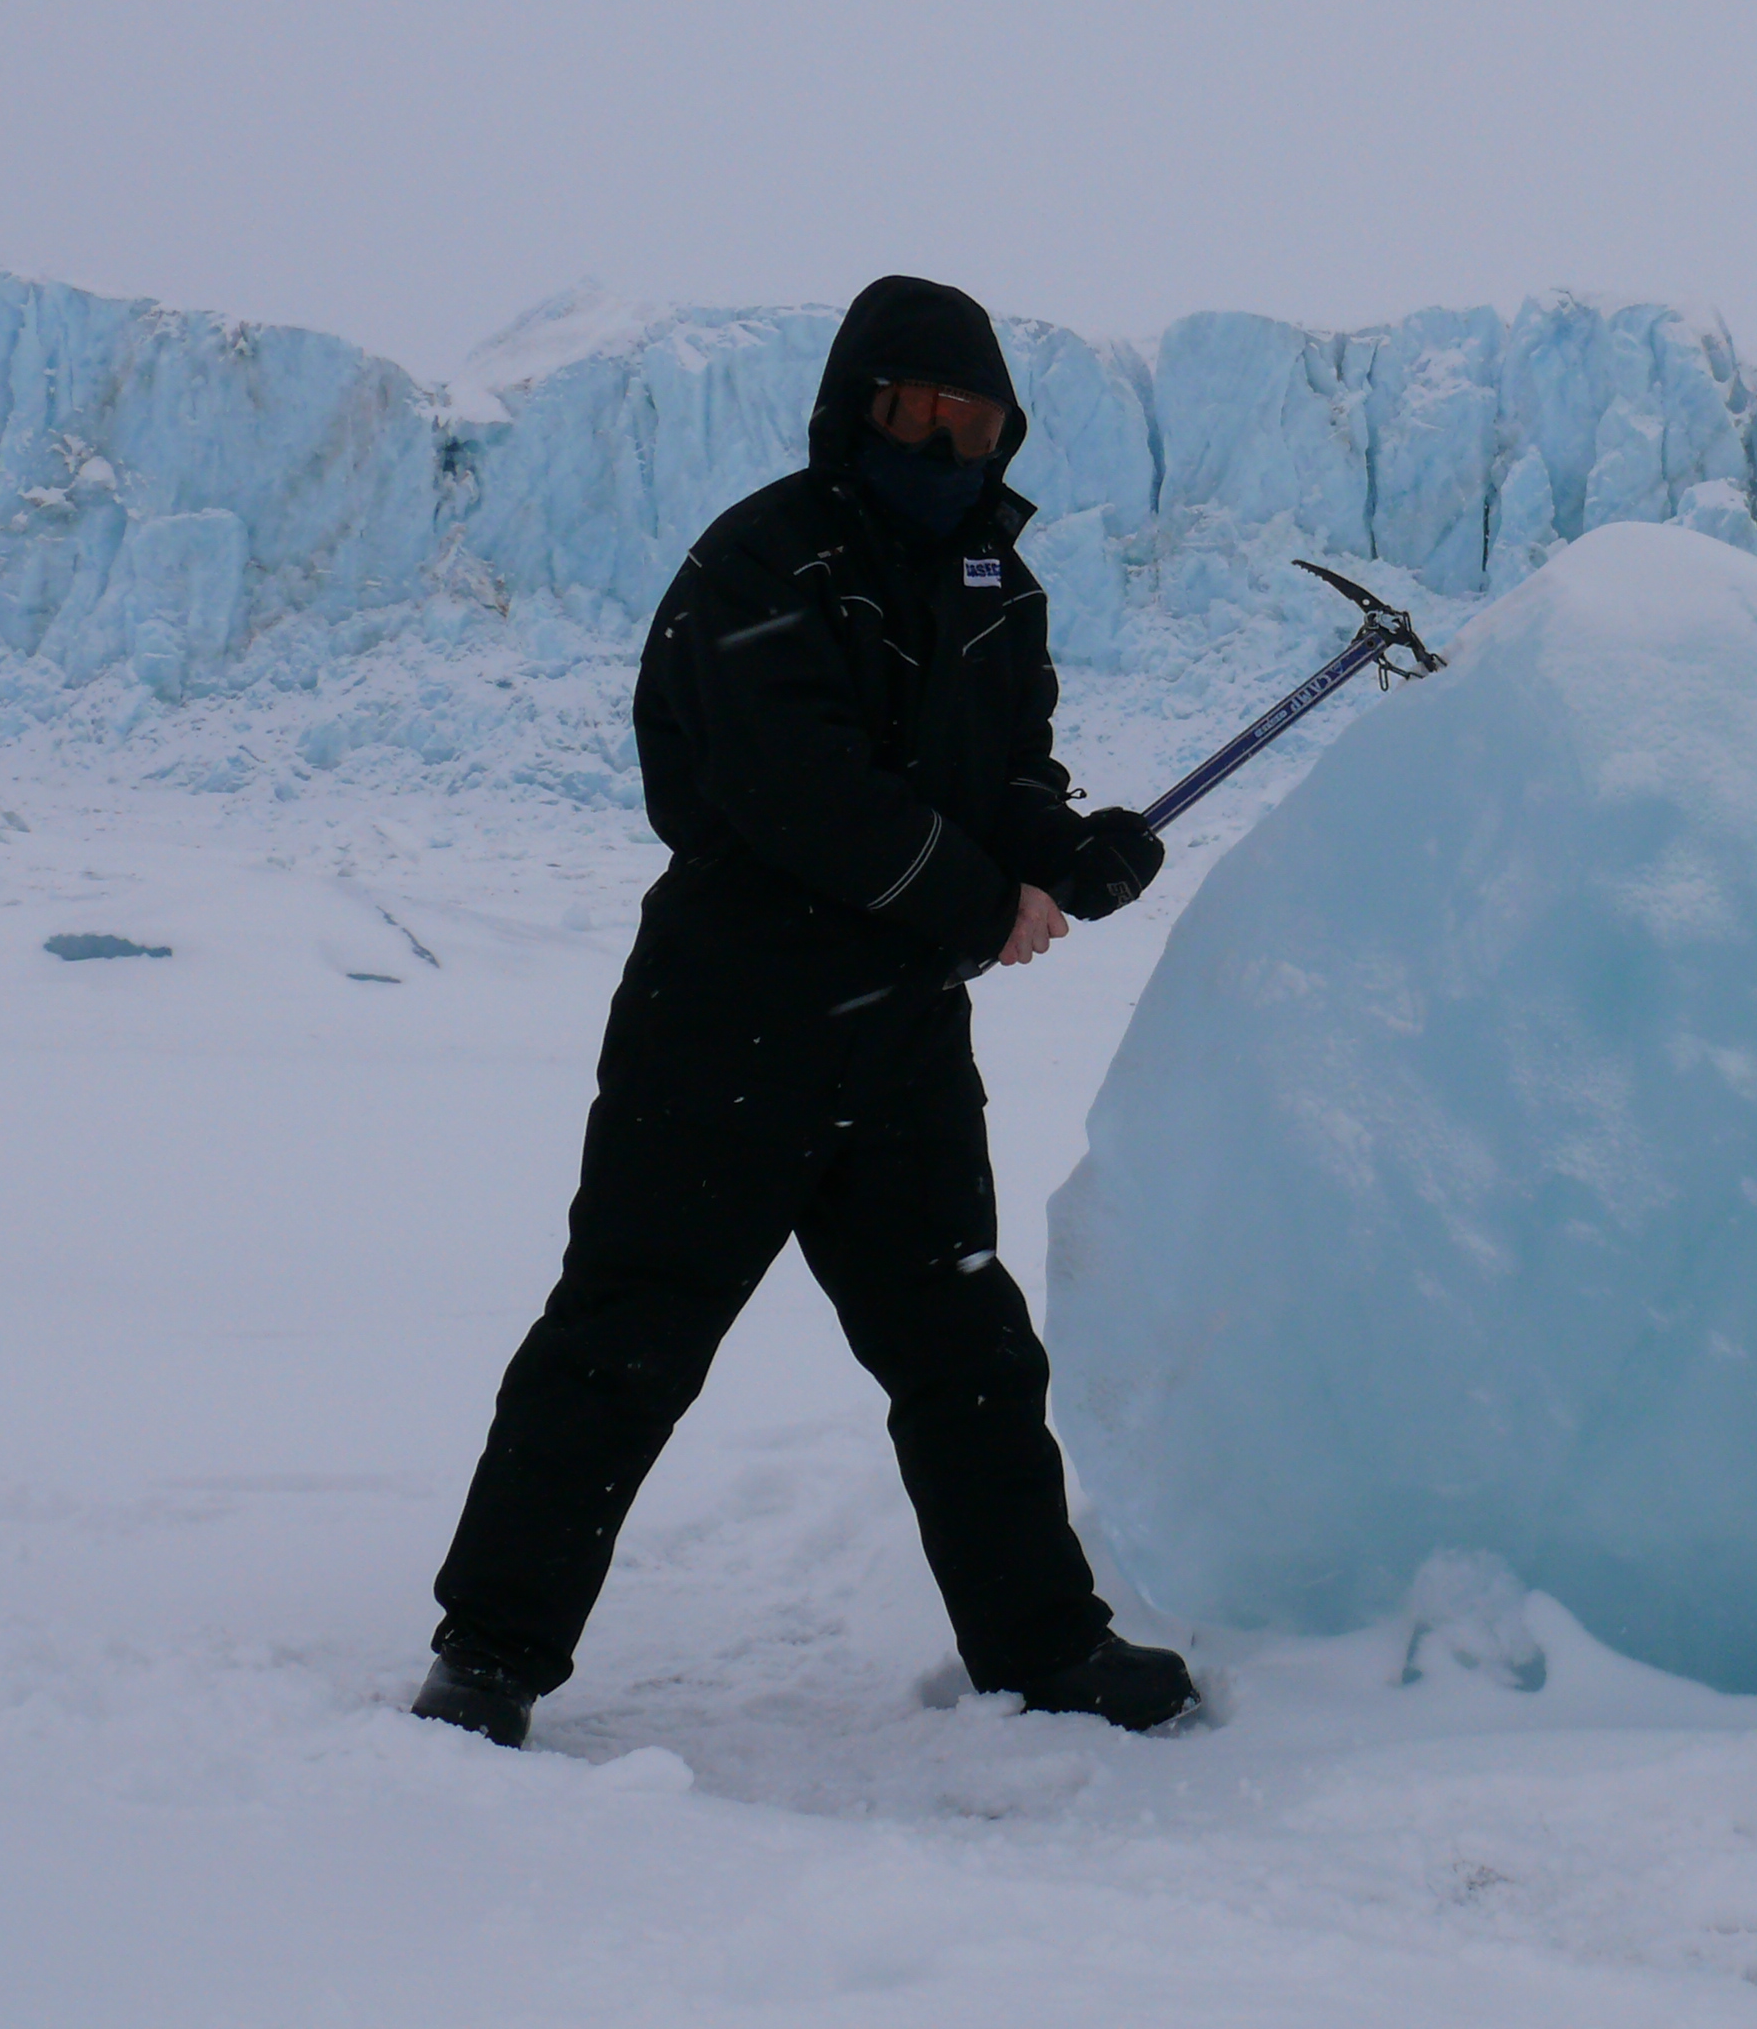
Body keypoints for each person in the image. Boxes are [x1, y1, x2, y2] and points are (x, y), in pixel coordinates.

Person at [411, 274, 1192, 1748]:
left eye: (974, 421)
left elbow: (1004, 770)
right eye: (914, 411)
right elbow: (791, 790)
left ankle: (1045, 1648)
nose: (943, 444)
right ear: (854, 409)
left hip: (898, 1038)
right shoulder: (763, 563)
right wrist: (979, 899)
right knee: (627, 1339)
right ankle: (491, 1654)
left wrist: (1062, 847)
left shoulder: (995, 586)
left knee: (965, 1348)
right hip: (727, 1019)